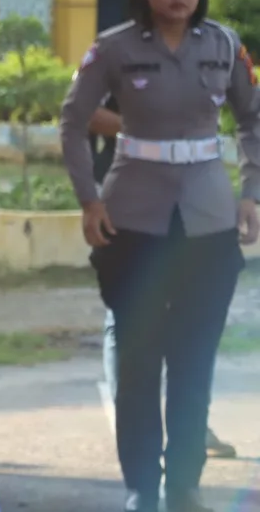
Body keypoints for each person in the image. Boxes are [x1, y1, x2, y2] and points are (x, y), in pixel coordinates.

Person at [59, 0, 260, 512]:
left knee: (194, 362)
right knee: (139, 363)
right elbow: (73, 122)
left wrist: (252, 195)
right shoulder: (114, 48)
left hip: (208, 220)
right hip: (133, 219)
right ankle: (142, 488)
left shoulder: (225, 45)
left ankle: (185, 485)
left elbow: (252, 120)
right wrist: (89, 200)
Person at [90, 95, 237, 463]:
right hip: (131, 198)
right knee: (127, 310)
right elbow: (86, 113)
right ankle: (133, 421)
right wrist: (150, 133)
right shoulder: (116, 59)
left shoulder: (211, 57)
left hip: (193, 200)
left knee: (193, 316)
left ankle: (191, 426)